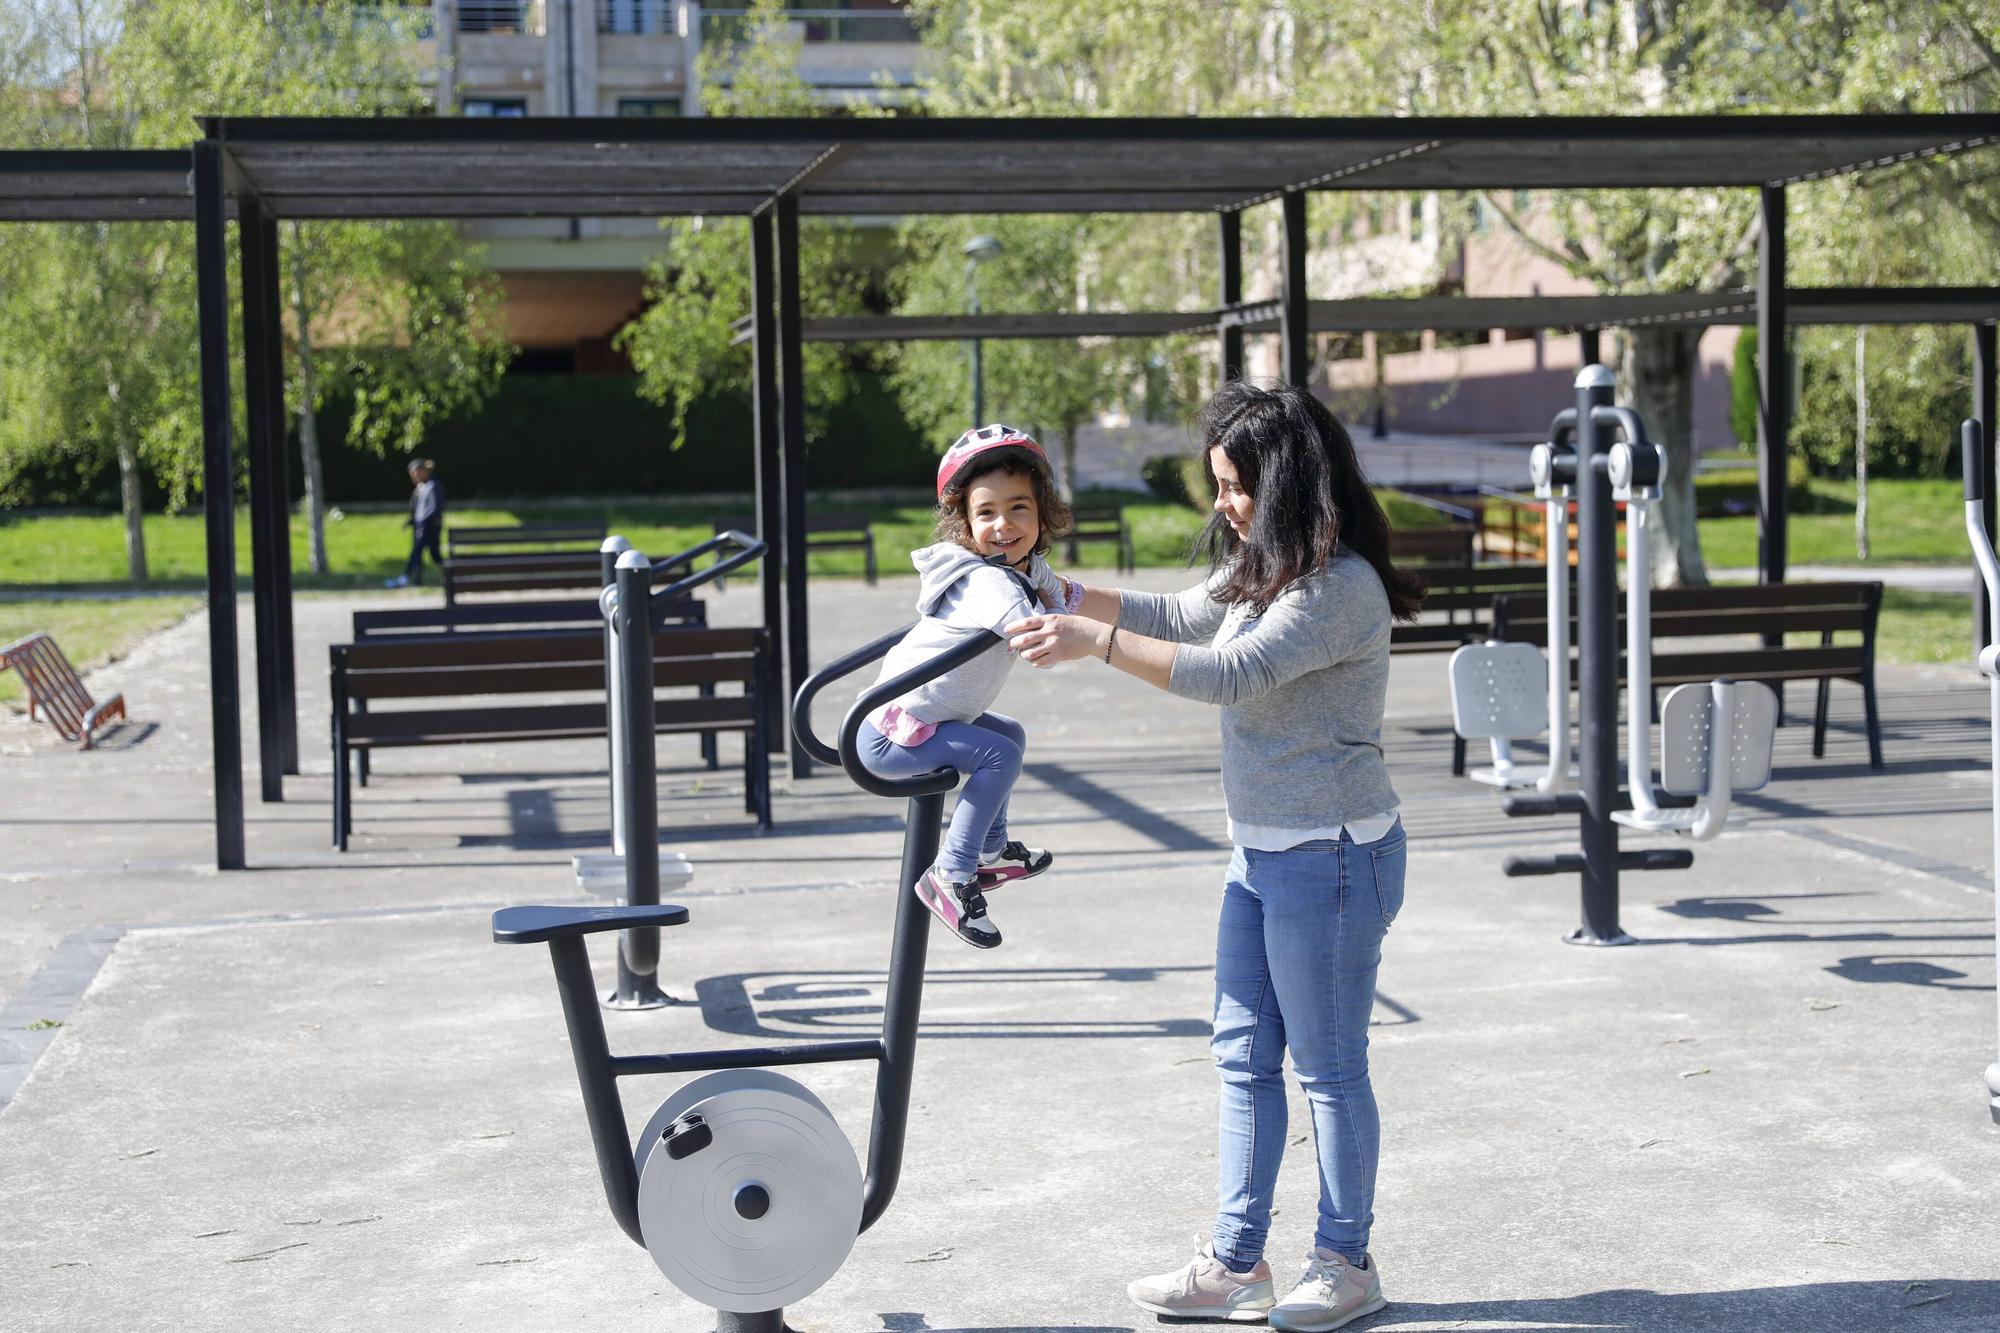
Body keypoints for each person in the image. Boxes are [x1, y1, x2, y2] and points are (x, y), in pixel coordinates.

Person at [1006, 382, 1424, 1331]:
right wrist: (1058, 589)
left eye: (1237, 487)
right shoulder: (1267, 565)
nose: (1226, 505)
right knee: (1242, 1057)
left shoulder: (1339, 587)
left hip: (1334, 855)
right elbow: (1186, 616)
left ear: (1284, 481)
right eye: (1220, 487)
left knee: (1327, 1066)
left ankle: (1346, 1261)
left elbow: (1231, 673)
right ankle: (1237, 1263)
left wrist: (1090, 640)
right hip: (1264, 853)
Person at [857, 423, 1077, 950]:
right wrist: (1070, 633)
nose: (1004, 524)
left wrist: (1059, 594)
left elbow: (1051, 586)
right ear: (964, 523)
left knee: (1011, 736)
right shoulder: (989, 581)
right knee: (999, 756)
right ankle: (951, 875)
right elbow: (1030, 630)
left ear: (1042, 511)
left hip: (929, 721)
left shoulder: (1017, 569)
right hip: (893, 736)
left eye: (1019, 507)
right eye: (986, 513)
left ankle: (989, 852)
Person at [386, 458, 445, 589]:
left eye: (417, 472)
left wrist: (422, 520)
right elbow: (418, 509)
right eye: (413, 474)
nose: (415, 476)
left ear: (424, 471)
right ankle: (416, 580)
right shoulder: (421, 487)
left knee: (419, 553)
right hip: (421, 526)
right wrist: (412, 521)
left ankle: (406, 578)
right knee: (430, 555)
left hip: (428, 527)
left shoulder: (433, 486)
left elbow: (435, 507)